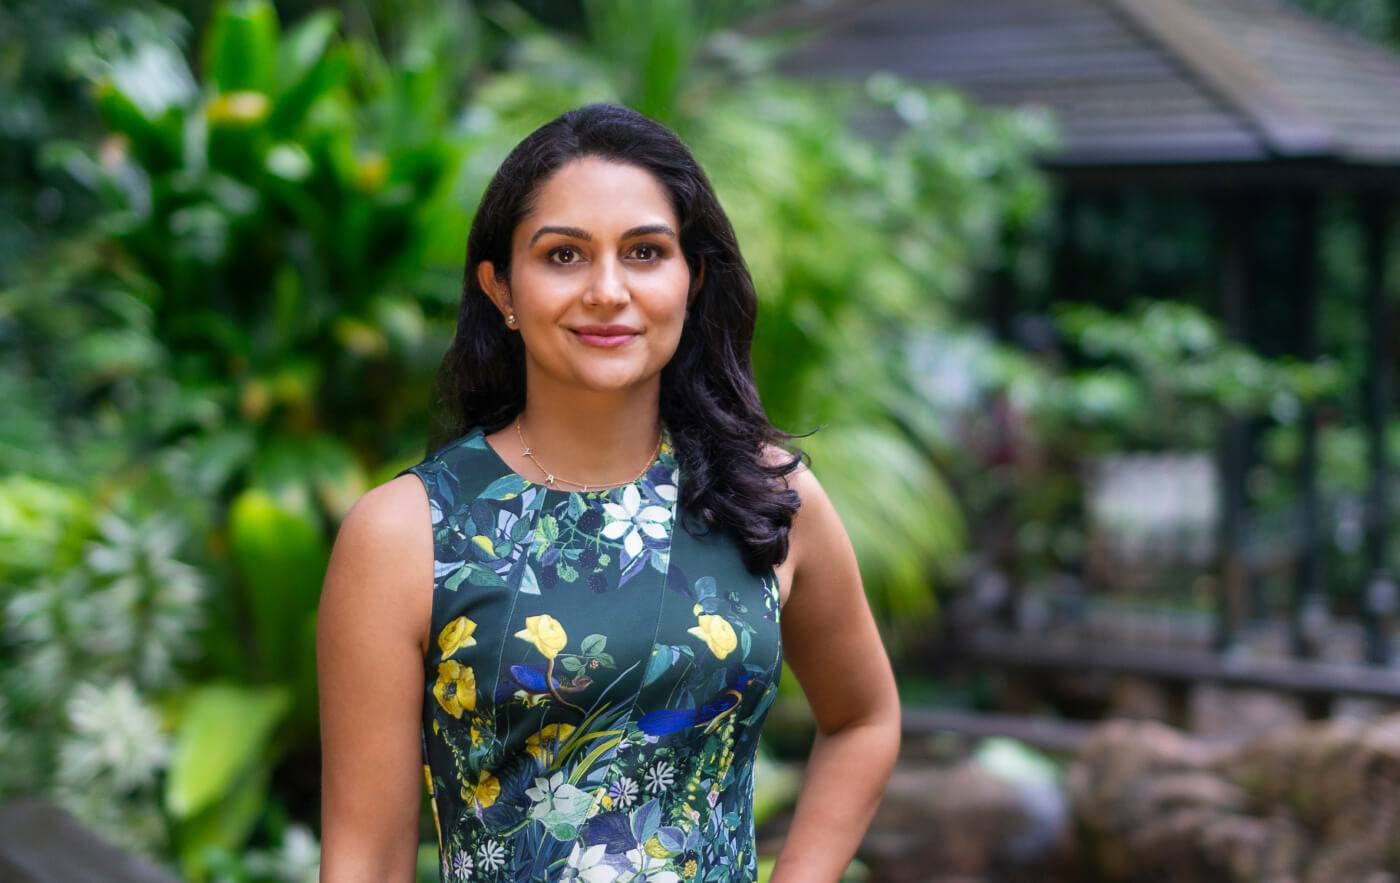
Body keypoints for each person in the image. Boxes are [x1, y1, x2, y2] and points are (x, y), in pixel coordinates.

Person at [317, 103, 900, 883]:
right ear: (501, 287)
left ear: (691, 279)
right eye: (563, 255)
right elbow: (364, 861)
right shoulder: (407, 532)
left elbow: (864, 718)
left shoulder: (765, 497)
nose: (607, 290)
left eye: (645, 252)